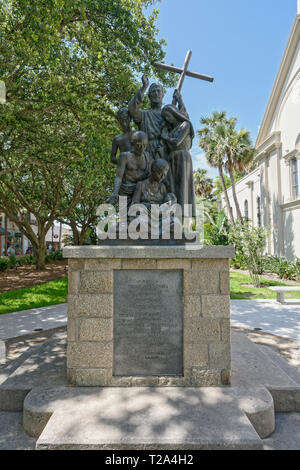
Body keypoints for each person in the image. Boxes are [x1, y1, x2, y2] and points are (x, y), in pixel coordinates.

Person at [161, 91, 196, 217]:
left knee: (182, 187)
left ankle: (181, 218)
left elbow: (176, 142)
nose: (167, 119)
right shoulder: (171, 130)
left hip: (182, 157)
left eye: (168, 116)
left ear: (174, 114)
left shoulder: (185, 125)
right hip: (171, 160)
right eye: (165, 117)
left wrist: (165, 137)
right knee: (172, 188)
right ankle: (171, 216)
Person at [108, 131, 152, 206]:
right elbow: (119, 177)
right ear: (132, 144)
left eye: (144, 145)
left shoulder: (147, 157)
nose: (142, 148)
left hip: (140, 191)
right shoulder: (125, 157)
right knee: (124, 216)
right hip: (125, 191)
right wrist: (115, 192)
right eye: (139, 145)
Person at [128, 74, 164, 159]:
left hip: (163, 151)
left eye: (158, 91)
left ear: (163, 94)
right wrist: (144, 87)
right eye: (153, 91)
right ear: (149, 96)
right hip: (146, 151)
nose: (156, 93)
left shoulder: (169, 114)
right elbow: (132, 109)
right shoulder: (145, 114)